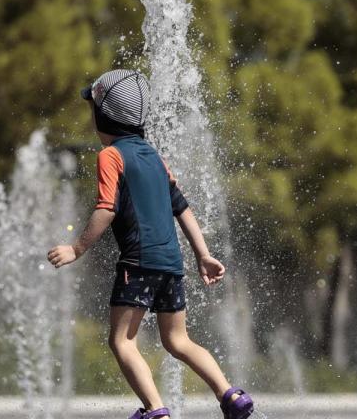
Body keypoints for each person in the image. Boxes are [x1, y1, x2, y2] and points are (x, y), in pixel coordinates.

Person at [47, 70, 256, 419]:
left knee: (122, 341)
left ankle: (156, 410)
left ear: (102, 115)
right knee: (178, 341)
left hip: (138, 263)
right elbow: (183, 208)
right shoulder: (156, 159)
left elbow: (105, 208)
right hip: (172, 265)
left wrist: (77, 248)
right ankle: (231, 396)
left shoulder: (111, 156)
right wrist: (202, 255)